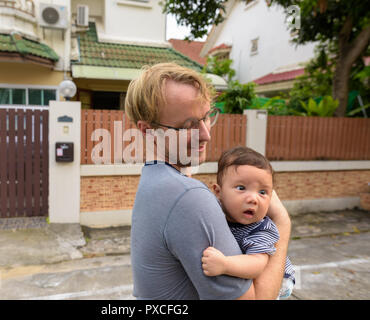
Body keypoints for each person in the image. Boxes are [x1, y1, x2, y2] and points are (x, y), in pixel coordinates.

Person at [125, 62, 291, 300]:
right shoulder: (188, 196)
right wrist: (282, 224)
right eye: (189, 125)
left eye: (206, 117)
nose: (206, 134)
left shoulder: (154, 179)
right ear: (148, 131)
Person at [201, 146, 295, 299]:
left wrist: (225, 265)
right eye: (241, 188)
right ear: (218, 192)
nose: (253, 198)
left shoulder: (262, 229)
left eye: (263, 192)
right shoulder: (214, 209)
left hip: (280, 282)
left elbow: (257, 265)